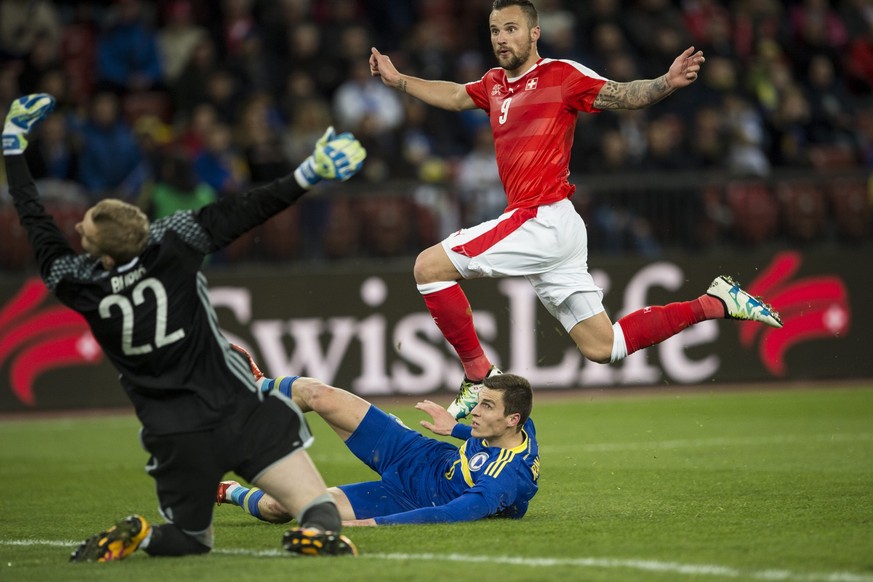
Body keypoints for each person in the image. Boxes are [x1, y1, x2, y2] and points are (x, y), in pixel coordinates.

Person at [368, 0, 784, 419]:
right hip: (552, 228)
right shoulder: (493, 83)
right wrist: (399, 80)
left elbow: (622, 95)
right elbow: (457, 95)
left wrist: (666, 82)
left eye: (511, 29)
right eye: (495, 31)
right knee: (604, 347)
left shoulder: (562, 75)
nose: (501, 38)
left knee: (428, 267)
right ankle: (714, 303)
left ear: (534, 33)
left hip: (541, 216)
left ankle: (478, 377)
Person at [1, 93, 366, 560]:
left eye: (85, 232)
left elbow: (35, 222)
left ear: (103, 254)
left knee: (190, 541)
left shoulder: (76, 281)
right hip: (238, 411)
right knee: (319, 510)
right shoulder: (173, 244)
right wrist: (309, 172)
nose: (77, 233)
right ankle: (313, 536)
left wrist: (13, 146)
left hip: (173, 433)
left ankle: (145, 536)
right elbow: (249, 208)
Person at [216, 345, 539, 526]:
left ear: (512, 419)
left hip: (410, 499)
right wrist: (452, 428)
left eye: (485, 406)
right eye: (478, 403)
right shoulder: (522, 423)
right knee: (320, 395)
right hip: (417, 453)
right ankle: (255, 387)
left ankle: (229, 491)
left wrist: (370, 525)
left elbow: (449, 513)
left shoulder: (504, 479)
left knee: (281, 505)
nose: (474, 412)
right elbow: (485, 437)